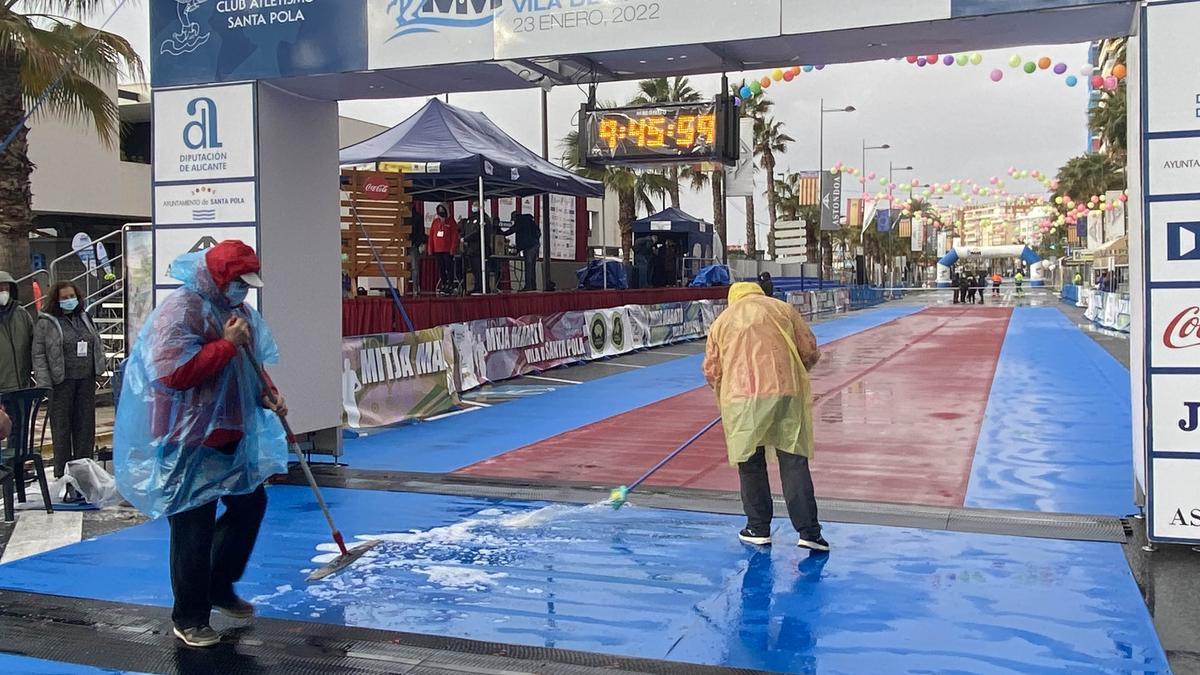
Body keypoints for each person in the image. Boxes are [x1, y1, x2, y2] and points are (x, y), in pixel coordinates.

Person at [113, 240, 289, 648]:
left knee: (250, 503)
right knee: (194, 522)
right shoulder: (180, 312)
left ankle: (219, 583)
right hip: (186, 435)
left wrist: (268, 393)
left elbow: (251, 365)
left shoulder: (238, 312)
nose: (243, 291)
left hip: (231, 431)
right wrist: (225, 345)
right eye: (238, 283)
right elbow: (174, 374)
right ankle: (189, 616)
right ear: (220, 277)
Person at [703, 282, 828, 552]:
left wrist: (723, 389)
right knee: (793, 458)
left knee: (750, 461)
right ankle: (809, 532)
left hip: (741, 398)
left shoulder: (722, 321)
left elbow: (712, 370)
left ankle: (758, 527)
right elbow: (808, 350)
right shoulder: (783, 310)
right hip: (785, 391)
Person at [32, 281, 105, 487]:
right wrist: (44, 383)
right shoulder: (46, 322)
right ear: (56, 300)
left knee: (85, 427)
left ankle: (84, 471)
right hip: (60, 383)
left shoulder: (84, 317)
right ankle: (61, 473)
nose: (68, 300)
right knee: (62, 428)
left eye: (71, 296)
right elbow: (38, 354)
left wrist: (99, 367)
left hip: (86, 380)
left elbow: (95, 341)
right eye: (64, 297)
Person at [0, 271, 34, 394]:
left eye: (6, 288)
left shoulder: (21, 314)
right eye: (0, 288)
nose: (3, 292)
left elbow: (33, 344)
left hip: (22, 385)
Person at [504, 211, 540, 292]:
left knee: (528, 266)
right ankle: (533, 286)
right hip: (535, 245)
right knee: (532, 267)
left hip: (528, 247)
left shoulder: (519, 221)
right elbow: (538, 232)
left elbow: (512, 230)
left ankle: (528, 287)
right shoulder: (529, 220)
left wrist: (501, 233)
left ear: (515, 217)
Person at [428, 204, 459, 295]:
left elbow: (454, 236)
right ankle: (444, 283)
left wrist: (452, 249)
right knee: (441, 268)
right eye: (439, 210)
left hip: (447, 250)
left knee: (449, 267)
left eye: (442, 210)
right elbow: (431, 236)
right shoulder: (435, 222)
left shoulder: (451, 222)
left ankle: (450, 284)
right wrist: (430, 249)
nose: (441, 212)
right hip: (438, 250)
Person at [409, 215, 427, 295]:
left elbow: (420, 232)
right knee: (413, 267)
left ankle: (415, 288)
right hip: (403, 245)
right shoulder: (401, 216)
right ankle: (405, 288)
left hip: (414, 245)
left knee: (414, 267)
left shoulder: (417, 217)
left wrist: (419, 243)